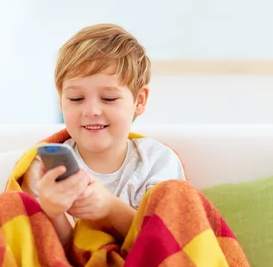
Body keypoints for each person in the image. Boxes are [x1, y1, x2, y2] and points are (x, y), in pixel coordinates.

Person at [21, 23, 186, 245]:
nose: (91, 111)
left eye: (109, 99)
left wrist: (110, 208)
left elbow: (166, 243)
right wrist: (54, 213)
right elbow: (55, 257)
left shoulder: (158, 162)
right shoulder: (44, 169)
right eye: (76, 99)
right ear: (61, 100)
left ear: (139, 100)